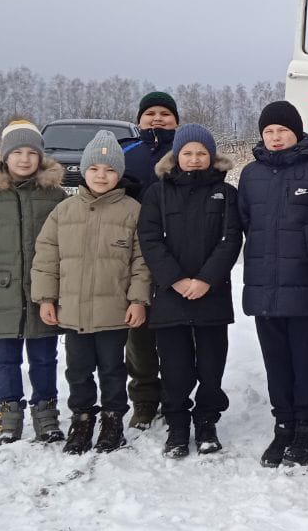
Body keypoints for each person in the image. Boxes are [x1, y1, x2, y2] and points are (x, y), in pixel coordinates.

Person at [31, 130, 151, 455]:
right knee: (78, 372)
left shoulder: (132, 211)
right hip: (73, 312)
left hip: (114, 313)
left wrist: (138, 300)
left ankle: (113, 421)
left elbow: (143, 261)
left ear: (119, 174)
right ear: (84, 172)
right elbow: (46, 257)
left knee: (113, 371)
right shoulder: (65, 211)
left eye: (110, 170)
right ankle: (82, 421)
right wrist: (45, 298)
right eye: (95, 169)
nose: (102, 175)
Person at [238, 100, 308, 468]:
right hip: (265, 288)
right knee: (276, 362)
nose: (276, 137)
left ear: (297, 132)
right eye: (269, 132)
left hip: (306, 289)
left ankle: (306, 428)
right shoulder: (250, 176)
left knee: (305, 362)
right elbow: (246, 223)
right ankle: (283, 425)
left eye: (282, 130)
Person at [0, 120, 68, 445]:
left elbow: (66, 248)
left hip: (42, 296)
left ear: (40, 157)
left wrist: (64, 294)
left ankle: (46, 413)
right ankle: (9, 414)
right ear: (5, 156)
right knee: (5, 360)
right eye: (17, 152)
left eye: (31, 152)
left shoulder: (54, 195)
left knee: (45, 358)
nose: (24, 159)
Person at [137, 124, 242, 458]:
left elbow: (230, 239)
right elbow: (150, 240)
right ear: (176, 156)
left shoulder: (226, 195)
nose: (195, 159)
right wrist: (177, 280)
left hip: (212, 294)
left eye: (201, 153)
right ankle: (178, 426)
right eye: (188, 153)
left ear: (211, 157)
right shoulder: (157, 193)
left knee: (211, 366)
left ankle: (207, 421)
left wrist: (206, 279)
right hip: (171, 295)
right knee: (175, 368)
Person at [122, 90, 179, 430]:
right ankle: (143, 398)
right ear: (139, 119)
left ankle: (176, 395)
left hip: (175, 253)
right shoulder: (126, 151)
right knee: (138, 330)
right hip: (133, 253)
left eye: (165, 113)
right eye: (150, 113)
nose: (157, 119)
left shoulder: (185, 151)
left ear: (176, 120)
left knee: (173, 331)